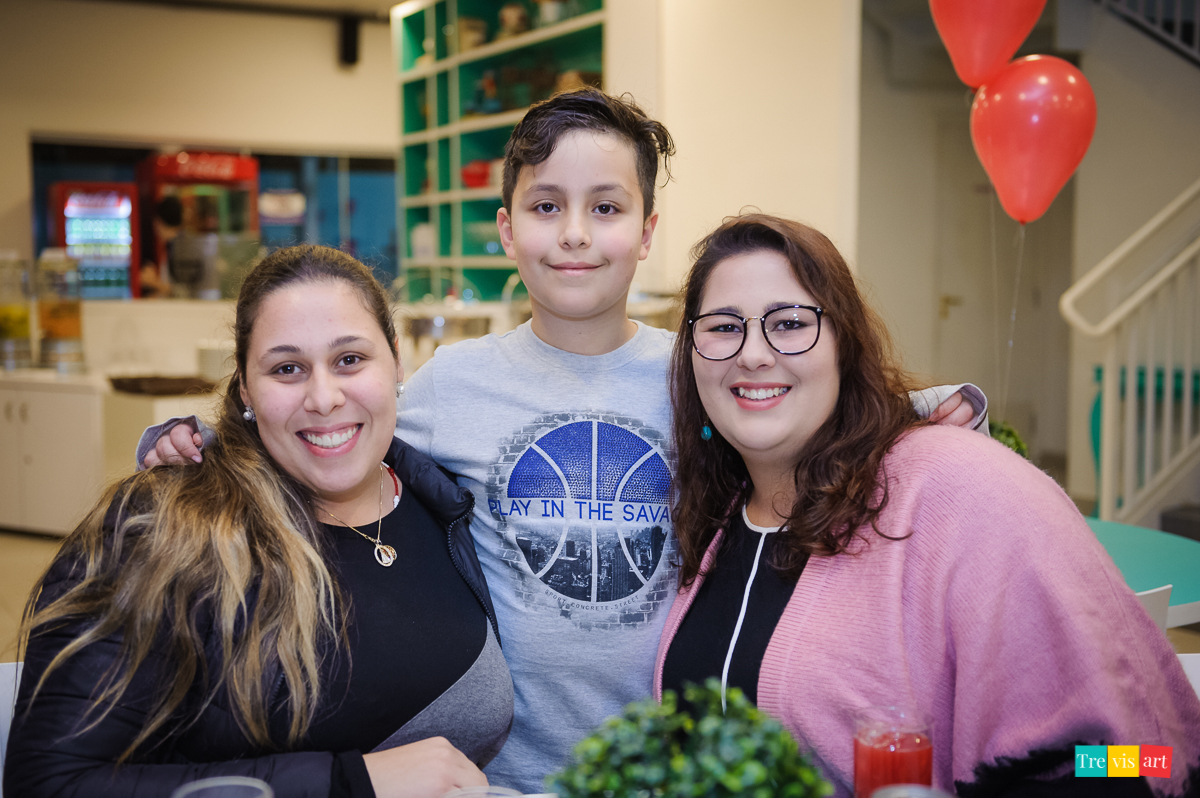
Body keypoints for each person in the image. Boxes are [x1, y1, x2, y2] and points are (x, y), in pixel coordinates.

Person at [138, 89, 982, 793]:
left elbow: (822, 396)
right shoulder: (447, 387)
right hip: (516, 779)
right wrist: (187, 441)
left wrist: (942, 411)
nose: (575, 233)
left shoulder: (699, 370)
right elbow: (323, 425)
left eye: (605, 208)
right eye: (547, 208)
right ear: (508, 231)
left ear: (647, 233)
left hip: (675, 766)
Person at [654, 214, 1200, 798]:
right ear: (690, 350)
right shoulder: (715, 513)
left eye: (790, 323)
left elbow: (1150, 760)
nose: (754, 354)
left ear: (844, 343)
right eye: (722, 326)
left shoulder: (962, 484)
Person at [5, 245, 512, 798]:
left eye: (349, 359)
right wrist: (348, 782)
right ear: (246, 387)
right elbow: (50, 783)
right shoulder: (163, 532)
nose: (323, 397)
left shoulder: (447, 504)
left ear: (396, 360)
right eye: (287, 368)